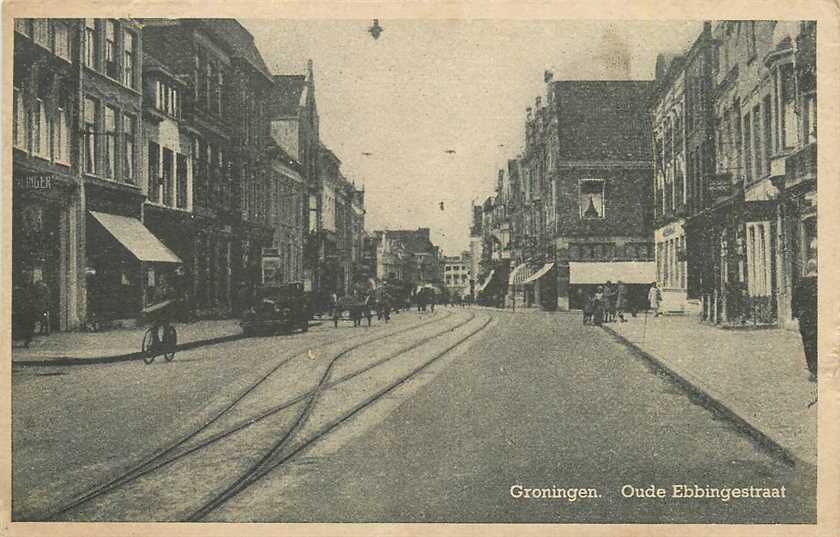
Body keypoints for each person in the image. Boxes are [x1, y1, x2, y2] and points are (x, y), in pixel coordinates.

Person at [792, 259, 818, 382]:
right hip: (818, 317)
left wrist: (796, 315)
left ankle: (813, 370)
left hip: (806, 320)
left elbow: (795, 301)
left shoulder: (801, 283)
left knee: (808, 344)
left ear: (807, 269)